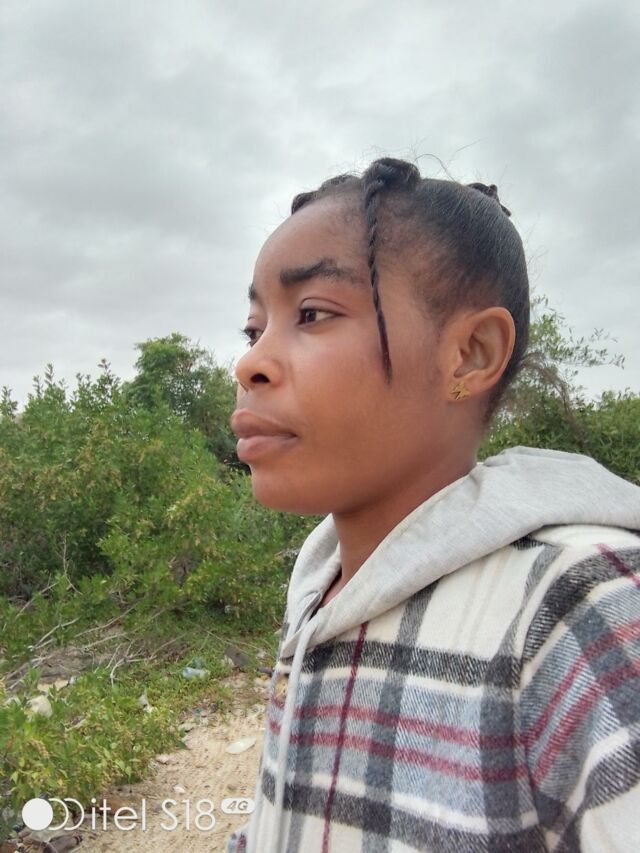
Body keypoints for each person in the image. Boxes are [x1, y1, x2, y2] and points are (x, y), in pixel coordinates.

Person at [227, 157, 640, 852]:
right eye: (253, 329)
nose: (249, 363)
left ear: (470, 355)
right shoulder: (321, 581)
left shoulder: (581, 603)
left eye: (312, 314)